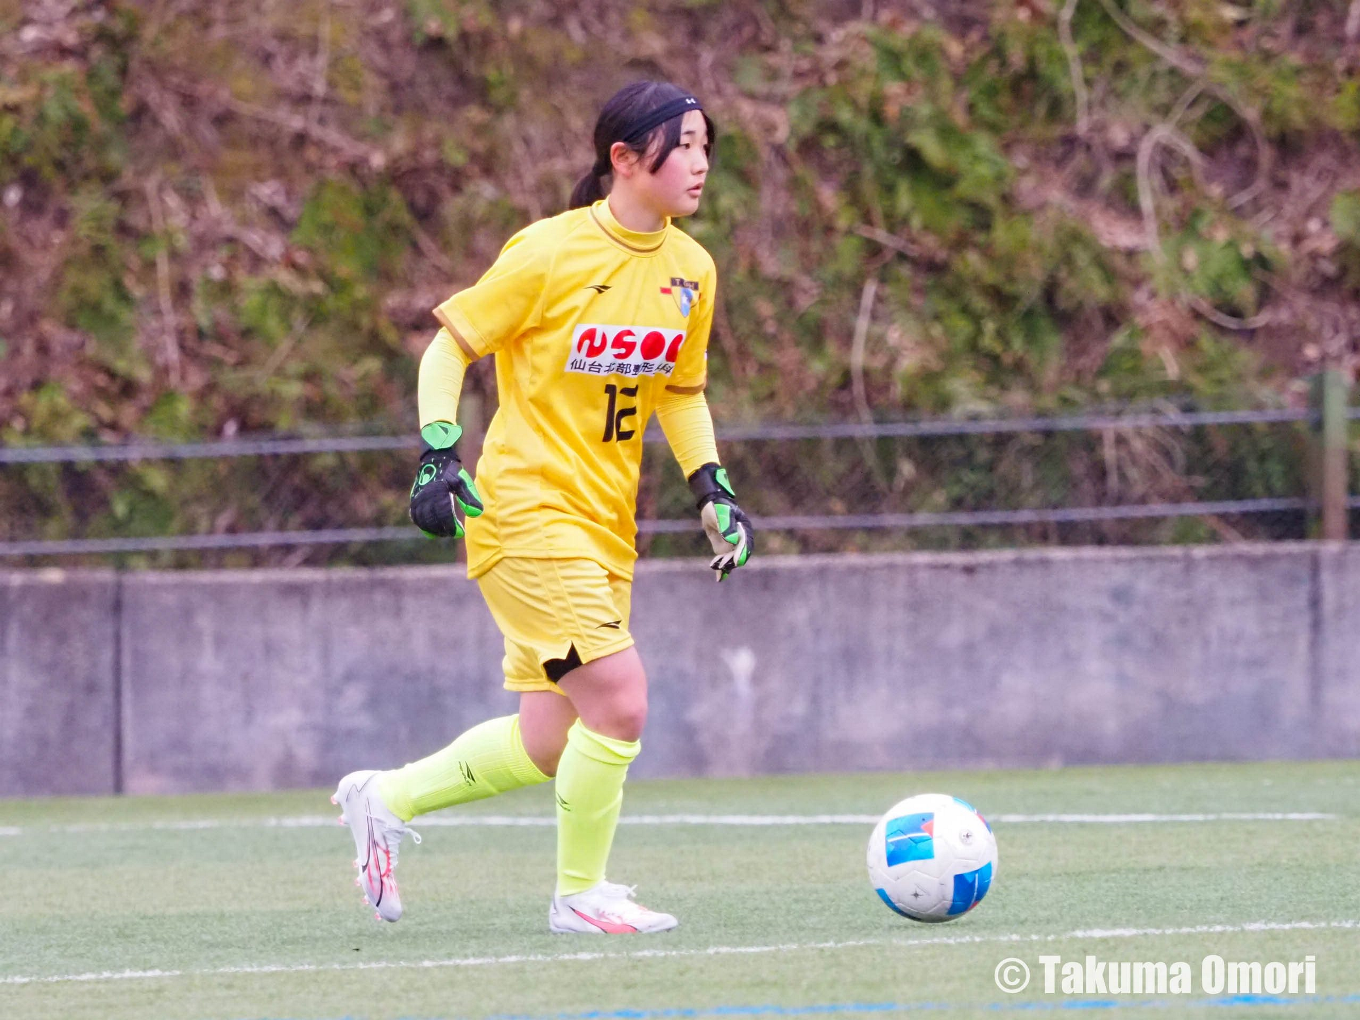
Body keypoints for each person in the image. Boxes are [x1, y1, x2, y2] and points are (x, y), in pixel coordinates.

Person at [332, 81, 754, 935]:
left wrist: (711, 486)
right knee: (623, 701)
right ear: (625, 159)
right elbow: (450, 346)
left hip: (607, 527)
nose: (703, 163)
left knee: (551, 741)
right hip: (522, 511)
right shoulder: (548, 252)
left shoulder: (691, 270)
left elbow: (682, 391)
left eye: (709, 144)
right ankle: (578, 895)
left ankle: (385, 798)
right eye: (685, 145)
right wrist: (439, 451)